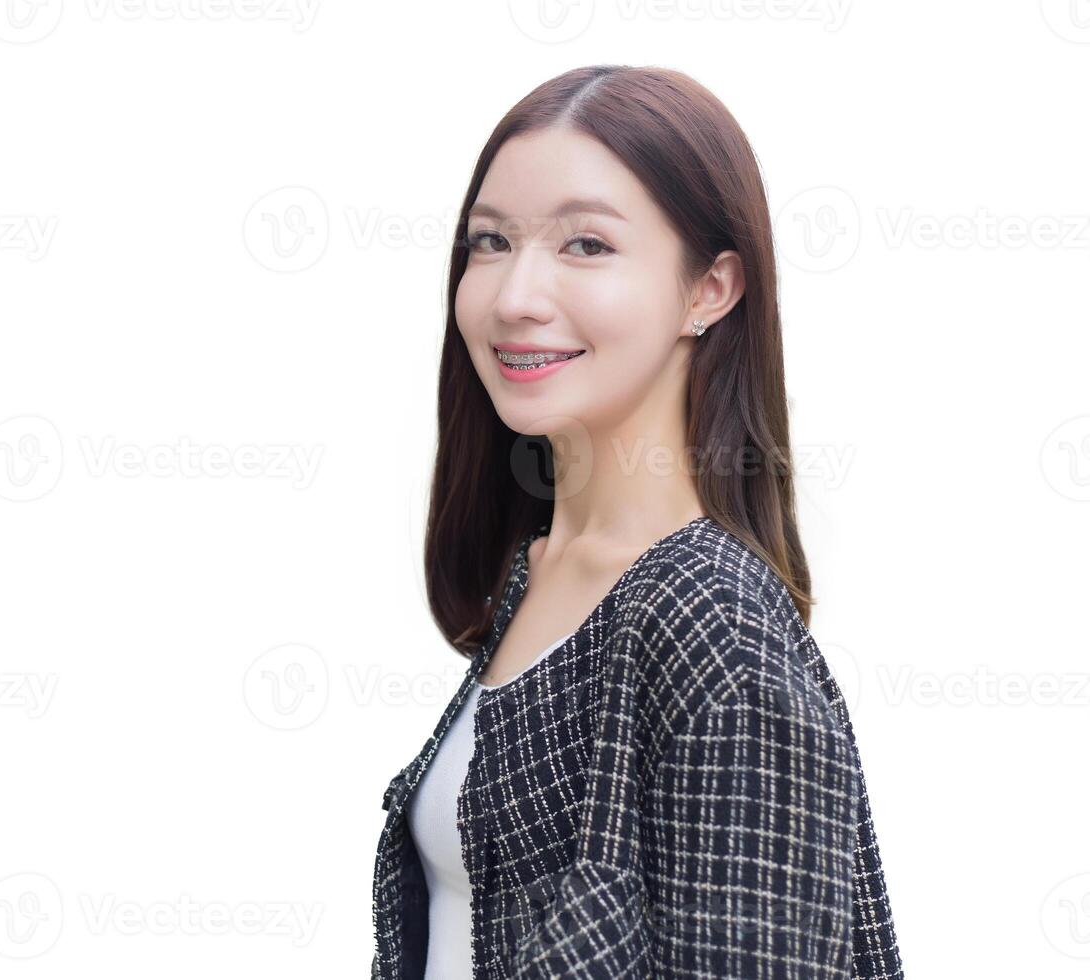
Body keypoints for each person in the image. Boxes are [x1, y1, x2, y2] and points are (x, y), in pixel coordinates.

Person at [370, 65, 906, 979]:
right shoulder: (532, 575)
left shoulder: (715, 630)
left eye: (585, 245)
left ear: (711, 289)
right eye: (490, 242)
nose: (514, 297)